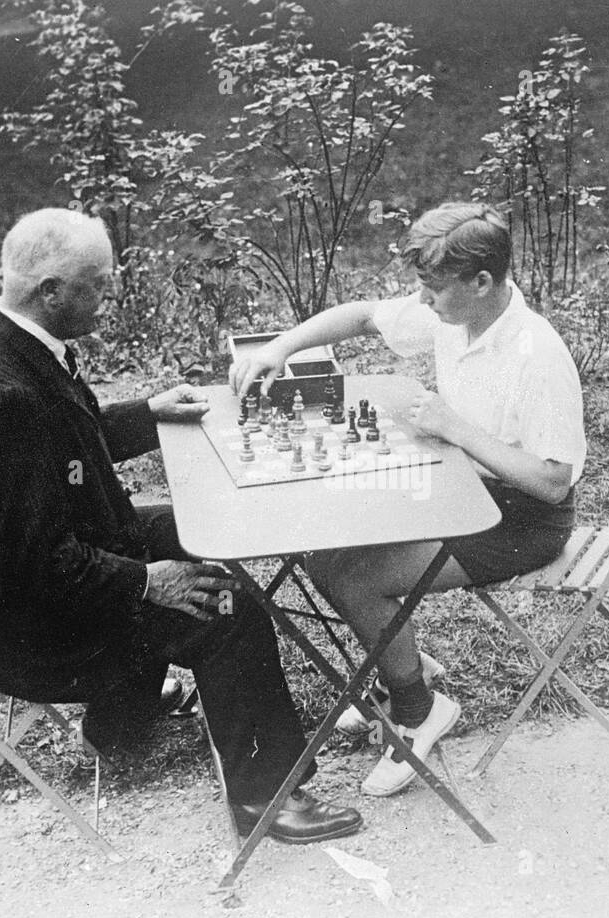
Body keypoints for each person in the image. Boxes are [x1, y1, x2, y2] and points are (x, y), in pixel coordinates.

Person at [0, 208, 360, 843]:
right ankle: (268, 799)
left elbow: (63, 442)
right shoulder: (7, 397)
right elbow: (37, 565)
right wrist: (145, 582)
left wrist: (148, 415)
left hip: (32, 583)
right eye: (99, 284)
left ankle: (120, 722)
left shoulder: (2, 342)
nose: (110, 296)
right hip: (24, 631)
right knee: (227, 612)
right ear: (50, 291)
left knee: (196, 530)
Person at [229, 202, 586, 797]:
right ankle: (403, 673)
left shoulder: (538, 355)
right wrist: (280, 349)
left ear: (482, 282)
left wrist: (454, 427)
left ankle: (420, 712)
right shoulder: (456, 314)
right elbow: (366, 316)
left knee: (357, 576)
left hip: (523, 519)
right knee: (326, 545)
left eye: (434, 290)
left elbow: (554, 481)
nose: (423, 303)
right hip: (461, 487)